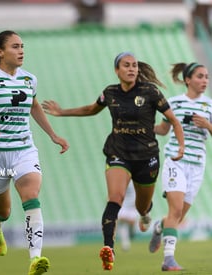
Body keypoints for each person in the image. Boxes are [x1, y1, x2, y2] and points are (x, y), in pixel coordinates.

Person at [41, 52, 185, 271]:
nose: (132, 69)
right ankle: (109, 249)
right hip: (118, 153)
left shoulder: (150, 92)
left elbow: (174, 121)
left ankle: (146, 214)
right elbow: (91, 109)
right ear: (117, 70)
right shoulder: (110, 92)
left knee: (142, 206)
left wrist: (181, 146)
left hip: (146, 157)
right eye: (127, 65)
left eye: (135, 65)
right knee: (115, 198)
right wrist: (61, 112)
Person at [0, 30, 69, 275]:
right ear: (0, 52)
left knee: (31, 197)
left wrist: (53, 135)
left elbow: (34, 107)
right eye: (15, 47)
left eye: (22, 46)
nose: (21, 51)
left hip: (24, 150)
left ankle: (35, 259)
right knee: (4, 212)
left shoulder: (29, 79)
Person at [149, 62, 212, 271]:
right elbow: (164, 130)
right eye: (200, 76)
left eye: (206, 77)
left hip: (197, 164)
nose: (204, 81)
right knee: (175, 210)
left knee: (178, 217)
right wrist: (143, 125)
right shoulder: (174, 103)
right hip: (175, 160)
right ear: (188, 79)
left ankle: (159, 226)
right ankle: (168, 260)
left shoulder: (210, 106)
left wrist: (208, 125)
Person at [117, 182, 138, 251]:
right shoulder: (121, 180)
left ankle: (131, 234)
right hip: (123, 205)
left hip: (133, 206)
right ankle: (125, 244)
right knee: (122, 222)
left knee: (132, 224)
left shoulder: (135, 180)